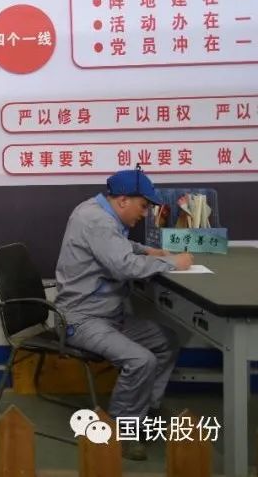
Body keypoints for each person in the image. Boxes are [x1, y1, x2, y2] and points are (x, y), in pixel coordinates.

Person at [54, 168, 192, 461]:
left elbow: (117, 245)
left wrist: (148, 251)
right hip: (81, 319)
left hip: (108, 316)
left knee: (166, 341)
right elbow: (124, 266)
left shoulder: (99, 213)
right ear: (123, 200)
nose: (145, 213)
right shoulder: (97, 220)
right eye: (143, 206)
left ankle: (143, 411)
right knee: (141, 360)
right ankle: (122, 432)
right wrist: (173, 263)